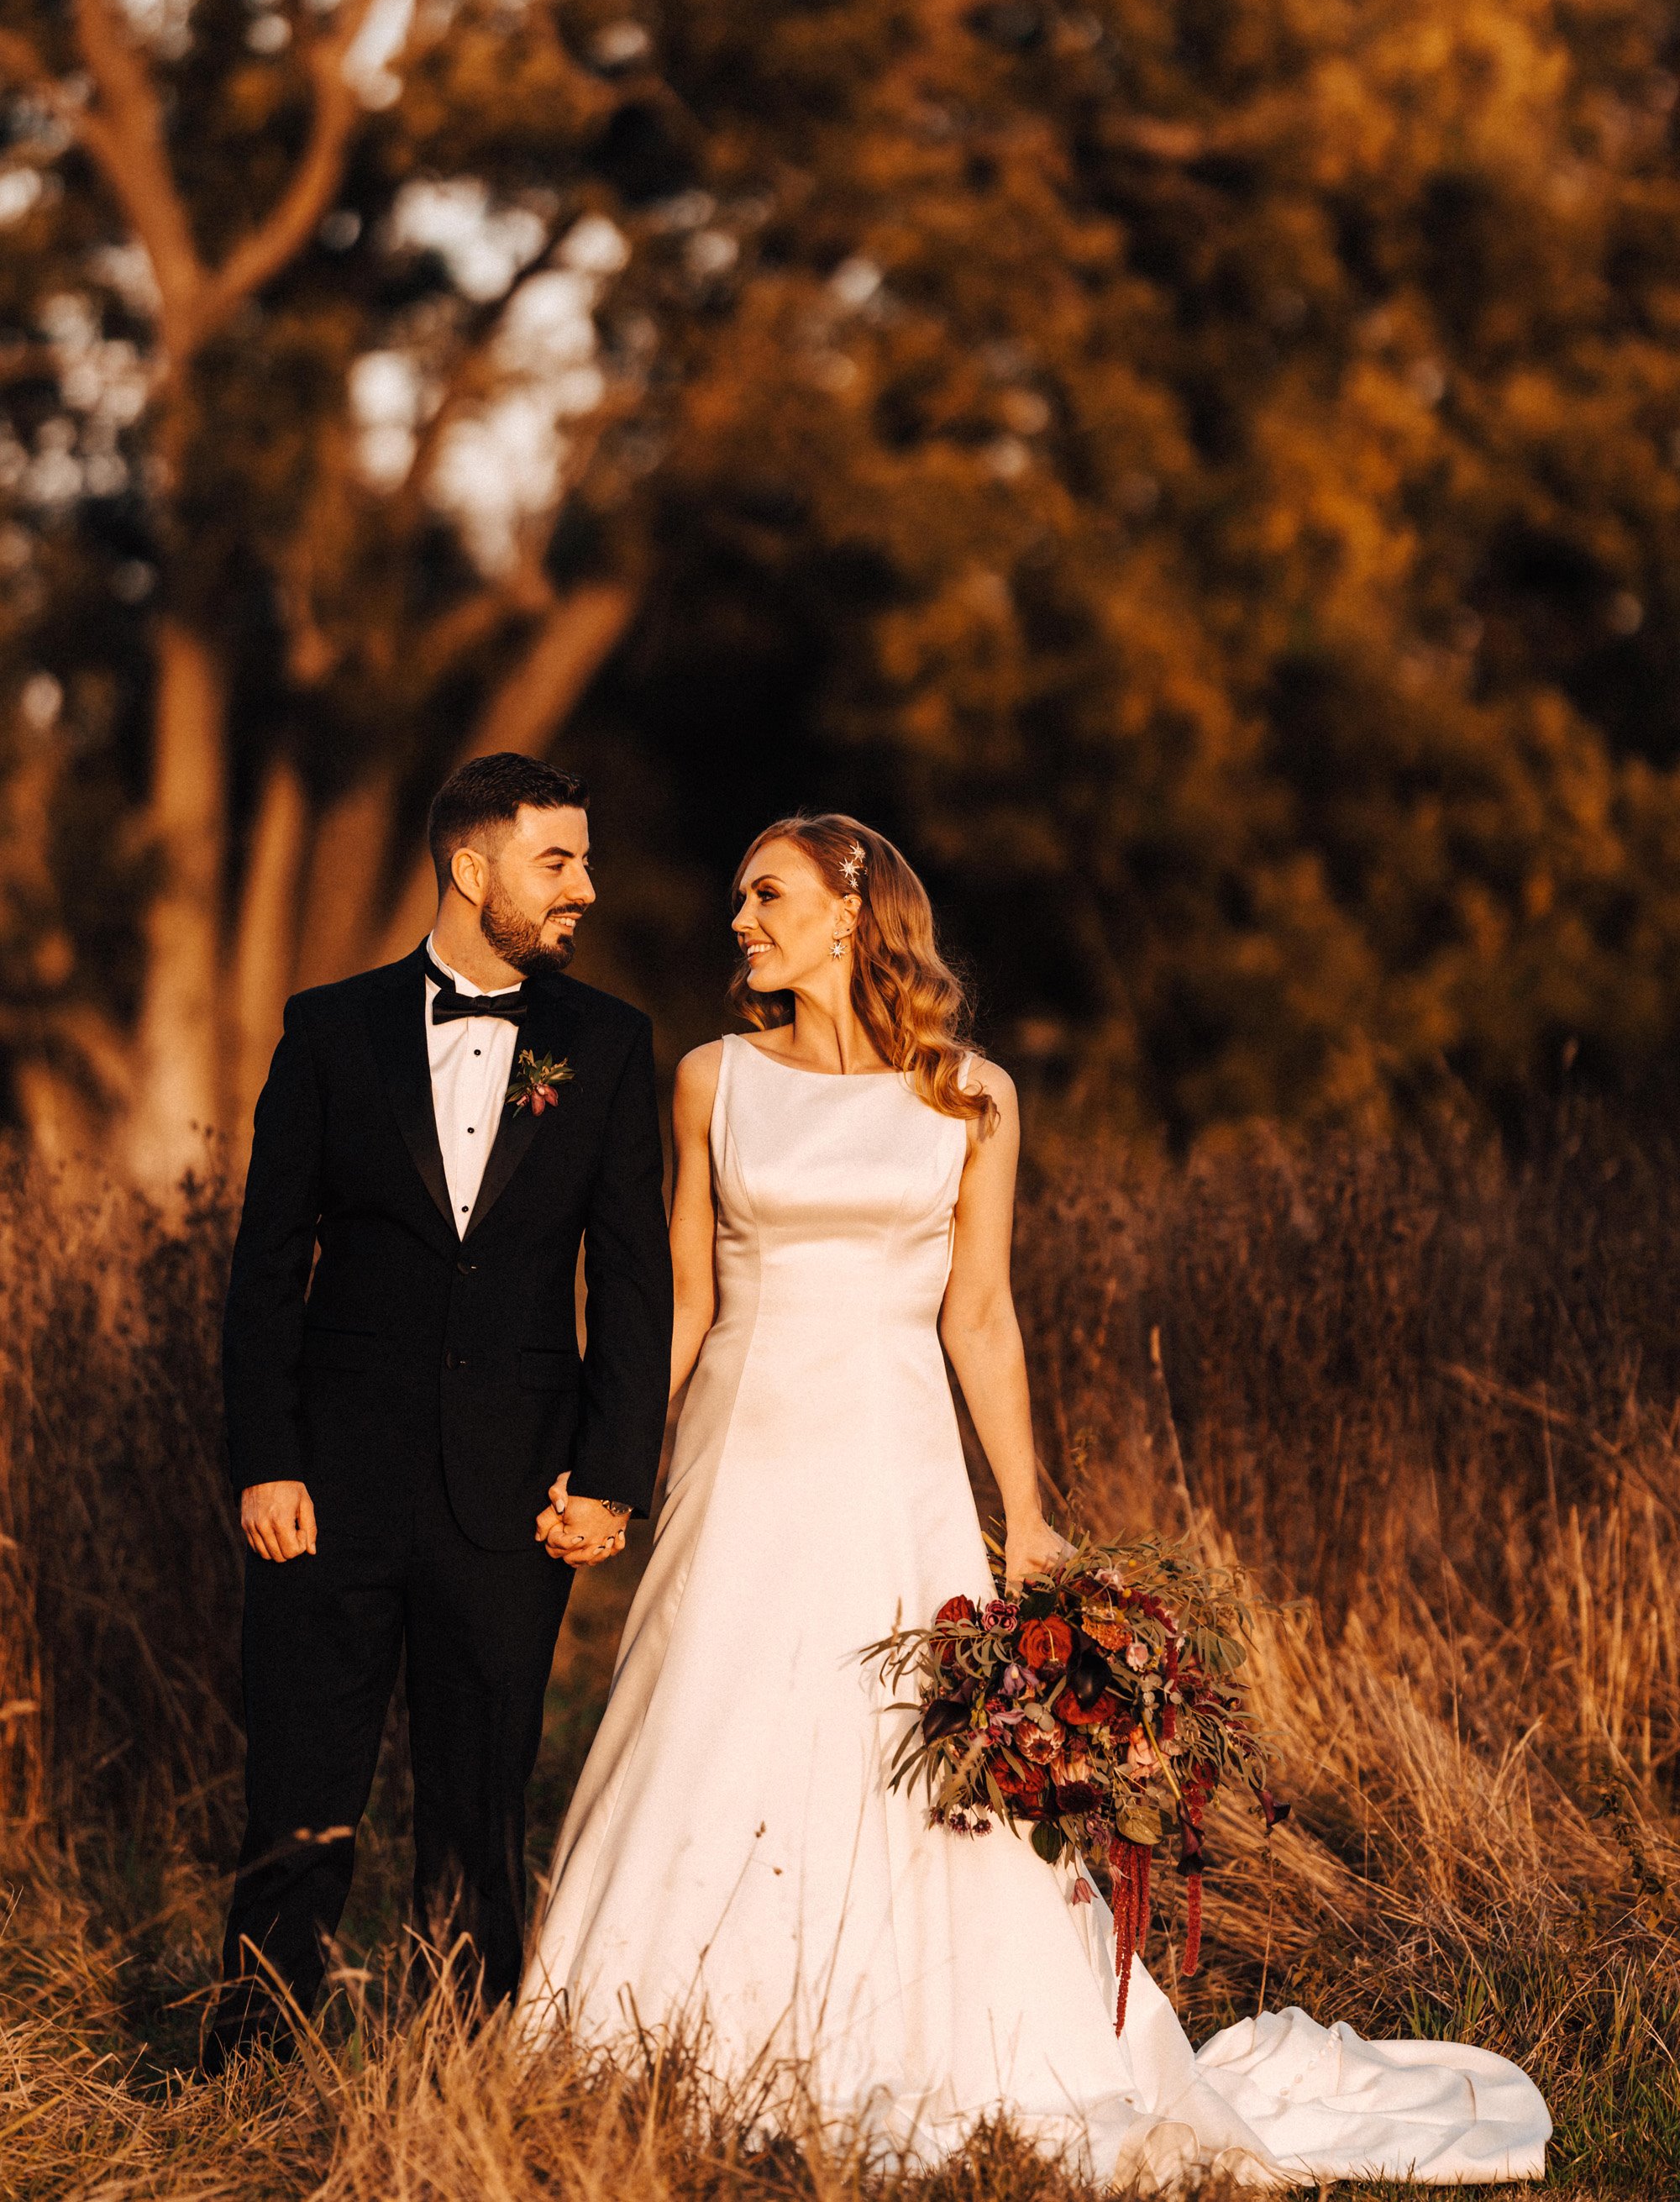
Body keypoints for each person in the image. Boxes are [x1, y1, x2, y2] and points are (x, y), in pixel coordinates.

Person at [517, 812, 1549, 2189]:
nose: (741, 921)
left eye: (765, 895)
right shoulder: (712, 1080)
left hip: (894, 1460)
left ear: (849, 908)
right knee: (717, 1708)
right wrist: (614, 1472)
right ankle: (660, 2043)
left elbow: (983, 1317)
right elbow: (685, 1302)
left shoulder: (971, 1094)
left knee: (898, 1735)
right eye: (738, 899)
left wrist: (1031, 1510)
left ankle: (943, 2032)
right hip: (741, 1451)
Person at [209, 753, 672, 2063]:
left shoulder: (609, 1045)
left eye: (582, 860)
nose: (584, 887)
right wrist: (266, 1460)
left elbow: (635, 1282)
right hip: (329, 1488)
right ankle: (252, 2061)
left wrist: (609, 1478)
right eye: (557, 861)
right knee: (300, 1786)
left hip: (512, 1494)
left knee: (478, 1797)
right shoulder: (328, 1029)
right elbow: (264, 1270)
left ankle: (462, 2069)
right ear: (474, 870)